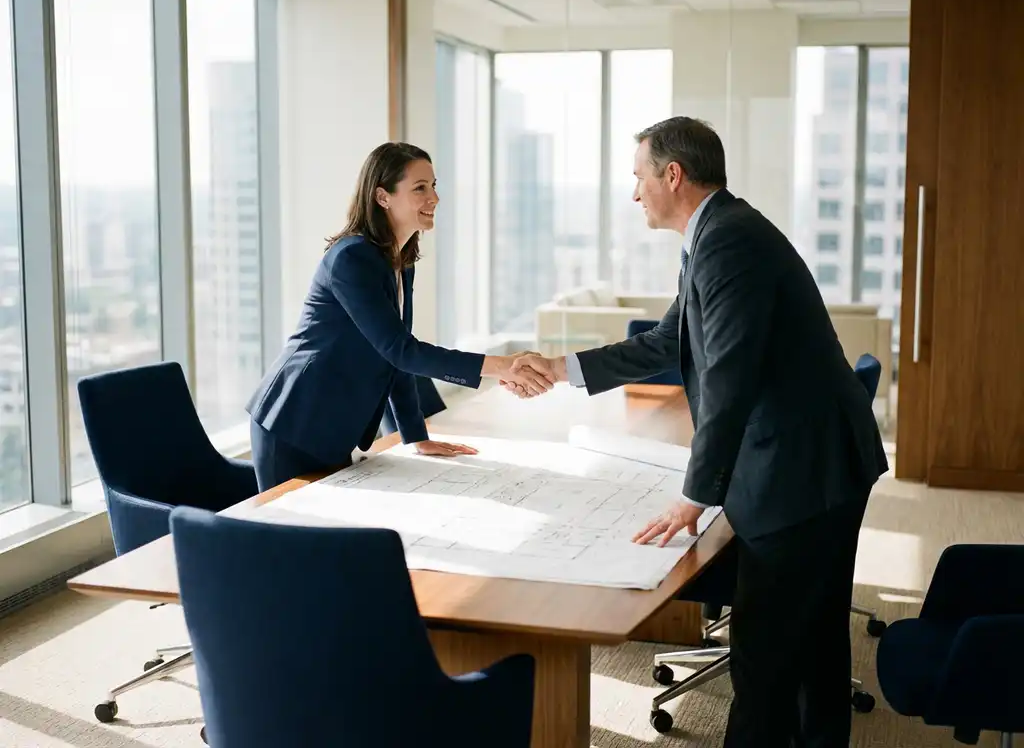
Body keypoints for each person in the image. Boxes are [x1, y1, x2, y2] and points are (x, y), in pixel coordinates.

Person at [508, 117, 888, 747]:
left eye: (638, 177)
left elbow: (731, 380)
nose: (634, 194)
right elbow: (667, 341)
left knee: (769, 662)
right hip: (816, 457)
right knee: (810, 646)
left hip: (802, 470)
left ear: (673, 175)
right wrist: (561, 367)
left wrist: (696, 494)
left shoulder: (728, 243)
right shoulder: (715, 234)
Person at [246, 141, 553, 493]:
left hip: (332, 425)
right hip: (294, 421)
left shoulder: (398, 261)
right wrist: (499, 367)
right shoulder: (351, 258)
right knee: (291, 535)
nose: (433, 198)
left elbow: (395, 359)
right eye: (420, 188)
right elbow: (400, 350)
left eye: (433, 186)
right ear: (383, 197)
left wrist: (416, 436)